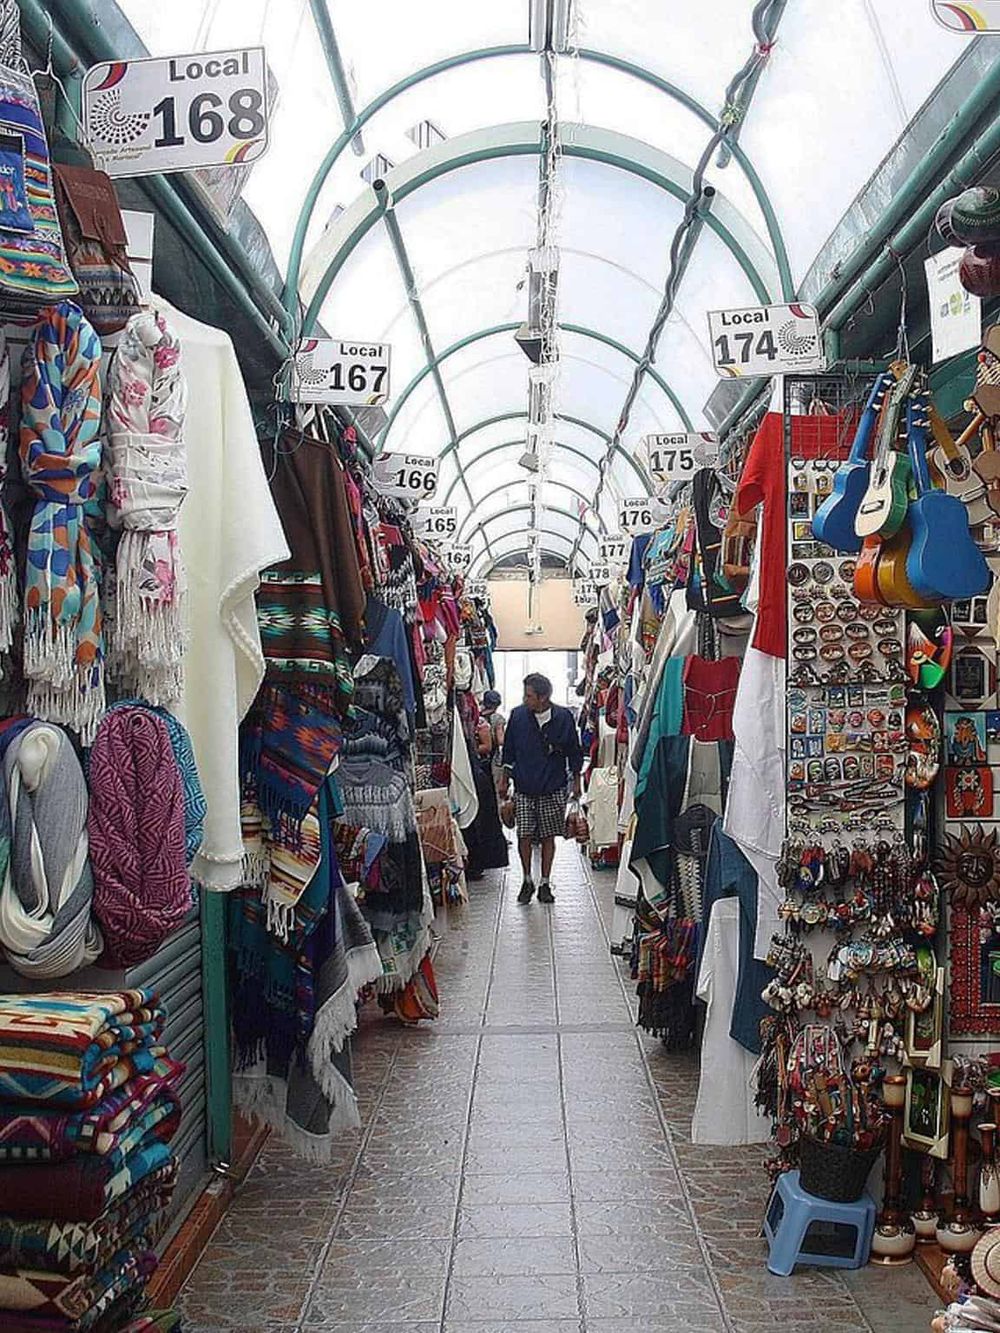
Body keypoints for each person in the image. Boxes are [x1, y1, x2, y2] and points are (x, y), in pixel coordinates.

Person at [500, 672, 583, 905]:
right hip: (524, 786)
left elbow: (574, 751)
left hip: (553, 786)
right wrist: (504, 780)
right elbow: (509, 750)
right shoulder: (517, 717)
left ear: (543, 697)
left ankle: (545, 882)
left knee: (548, 835)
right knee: (524, 834)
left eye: (529, 696)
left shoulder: (563, 718)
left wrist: (577, 781)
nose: (525, 699)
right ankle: (527, 880)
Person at [477, 689, 506, 797]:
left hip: (478, 759)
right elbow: (500, 740)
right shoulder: (497, 718)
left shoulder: (477, 717)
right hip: (492, 760)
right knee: (494, 792)